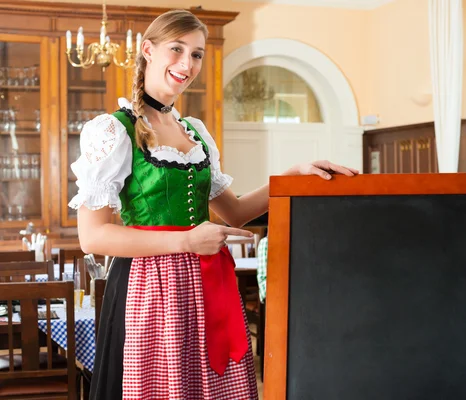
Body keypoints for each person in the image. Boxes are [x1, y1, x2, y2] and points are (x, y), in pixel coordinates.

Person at [69, 10, 359, 400]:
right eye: (177, 49)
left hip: (203, 282)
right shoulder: (113, 130)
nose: (187, 64)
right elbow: (93, 237)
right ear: (148, 51)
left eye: (197, 54)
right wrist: (187, 242)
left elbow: (236, 211)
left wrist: (291, 176)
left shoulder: (195, 133)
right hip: (147, 289)